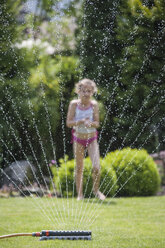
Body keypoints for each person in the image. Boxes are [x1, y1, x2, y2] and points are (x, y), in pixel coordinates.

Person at [66, 78, 105, 201]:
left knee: (96, 167)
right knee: (79, 168)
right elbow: (68, 123)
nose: (86, 94)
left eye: (89, 91)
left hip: (92, 139)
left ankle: (96, 191)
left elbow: (97, 123)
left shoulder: (94, 105)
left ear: (92, 92)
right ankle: (80, 195)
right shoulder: (73, 104)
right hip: (78, 139)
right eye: (84, 91)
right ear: (78, 91)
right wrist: (81, 121)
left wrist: (91, 124)